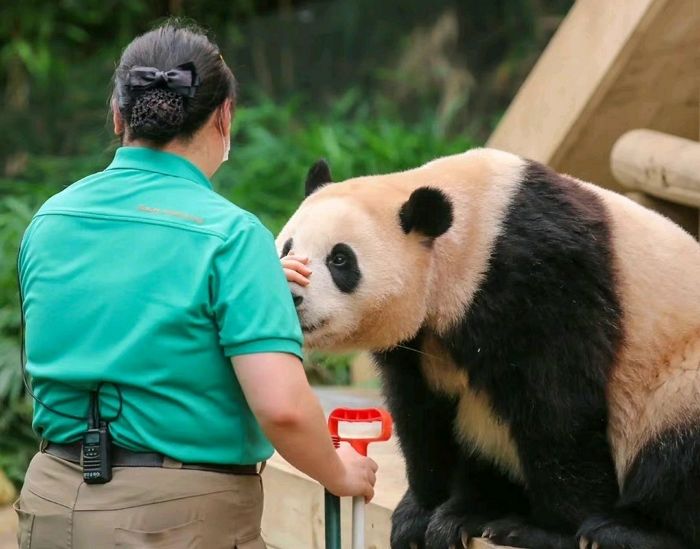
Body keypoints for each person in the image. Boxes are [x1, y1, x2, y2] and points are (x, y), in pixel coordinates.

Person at [15, 21, 377, 549]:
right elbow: (282, 407)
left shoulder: (48, 222)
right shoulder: (232, 237)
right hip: (178, 521)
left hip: (49, 505)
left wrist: (245, 287)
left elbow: (113, 312)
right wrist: (339, 471)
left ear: (118, 115)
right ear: (224, 116)